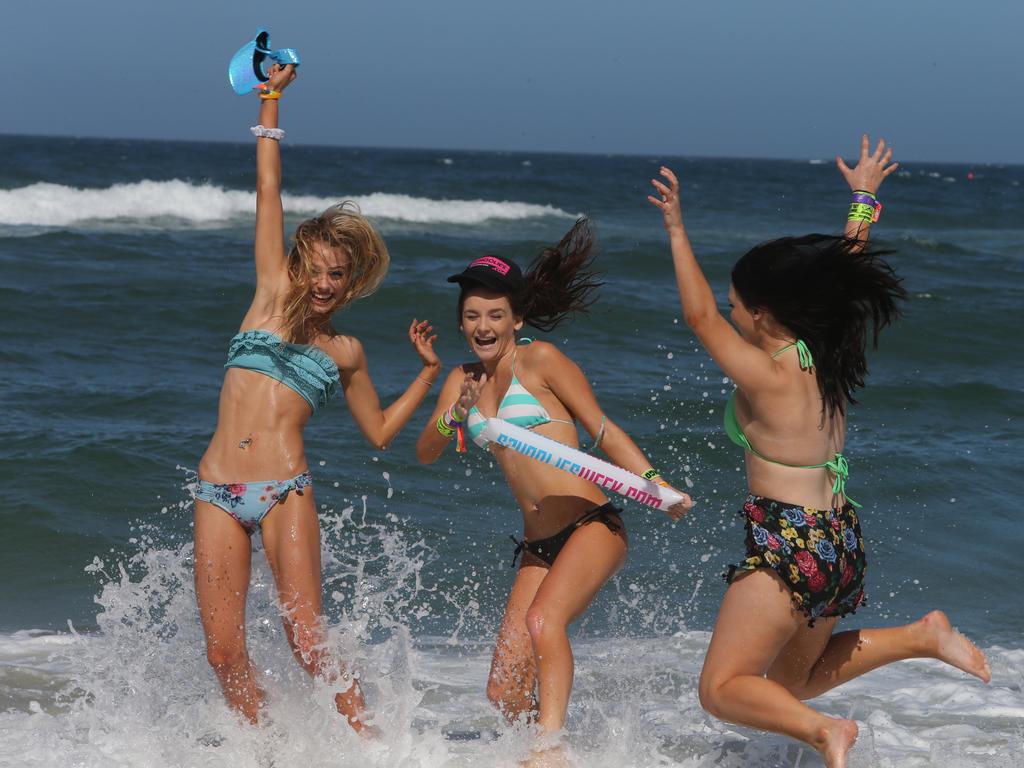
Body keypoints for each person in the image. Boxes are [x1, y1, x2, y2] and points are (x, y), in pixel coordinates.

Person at [648, 135, 991, 768]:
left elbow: (697, 319)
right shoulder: (826, 354)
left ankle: (824, 732)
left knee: (721, 689)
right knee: (789, 682)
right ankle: (922, 635)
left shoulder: (769, 371)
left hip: (789, 542)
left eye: (736, 307)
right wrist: (862, 201)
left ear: (761, 314)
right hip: (839, 542)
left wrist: (675, 227)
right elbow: (845, 274)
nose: (728, 315)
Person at [193, 64, 440, 732]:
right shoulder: (269, 295)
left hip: (285, 491)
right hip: (217, 487)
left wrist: (426, 374)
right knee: (222, 651)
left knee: (308, 640)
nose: (325, 283)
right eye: (317, 269)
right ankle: (260, 744)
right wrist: (270, 100)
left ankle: (369, 741)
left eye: (339, 275)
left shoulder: (347, 352)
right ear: (297, 265)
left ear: (351, 281)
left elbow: (382, 433)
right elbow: (267, 188)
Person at [416, 220, 691, 750]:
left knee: (545, 621)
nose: (483, 324)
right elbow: (427, 452)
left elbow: (603, 429)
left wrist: (654, 484)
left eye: (495, 314)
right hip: (538, 545)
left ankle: (549, 750)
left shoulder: (540, 361)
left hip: (591, 524)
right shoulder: (461, 379)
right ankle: (551, 747)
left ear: (517, 318)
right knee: (503, 691)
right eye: (472, 315)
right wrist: (457, 413)